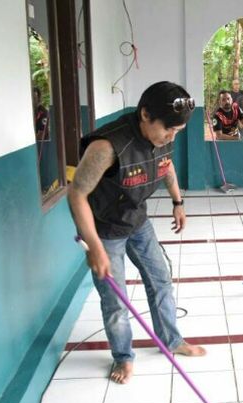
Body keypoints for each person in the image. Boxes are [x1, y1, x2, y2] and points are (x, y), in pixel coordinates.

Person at [68, 81, 206, 385]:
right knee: (115, 300)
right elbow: (76, 193)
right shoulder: (107, 147)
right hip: (105, 230)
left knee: (160, 279)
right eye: (168, 130)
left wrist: (177, 201)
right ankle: (123, 356)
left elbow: (165, 164)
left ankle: (172, 340)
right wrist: (95, 246)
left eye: (177, 133)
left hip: (137, 221)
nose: (171, 137)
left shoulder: (166, 133)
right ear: (145, 114)